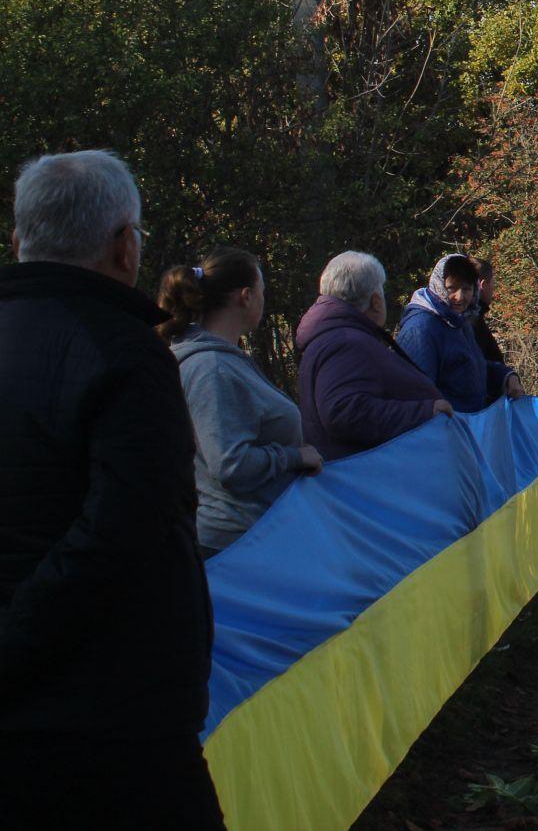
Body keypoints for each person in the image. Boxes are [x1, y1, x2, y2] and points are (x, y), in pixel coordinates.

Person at [0, 150, 224, 828]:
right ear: (125, 246)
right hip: (112, 718)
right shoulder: (125, 352)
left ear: (19, 239)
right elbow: (124, 531)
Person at [160, 249, 321, 556]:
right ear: (246, 296)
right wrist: (295, 457)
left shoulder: (224, 360)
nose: (263, 299)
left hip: (256, 533)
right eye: (262, 291)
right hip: (237, 544)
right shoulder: (212, 369)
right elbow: (230, 465)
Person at [298, 252, 453, 460]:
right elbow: (342, 412)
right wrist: (424, 412)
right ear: (376, 301)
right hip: (363, 471)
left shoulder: (337, 335)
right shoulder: (344, 342)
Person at [395, 253, 520, 414]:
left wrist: (505, 377)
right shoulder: (421, 329)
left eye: (466, 289)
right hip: (445, 426)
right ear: (439, 285)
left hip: (467, 424)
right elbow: (415, 395)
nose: (460, 297)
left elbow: (470, 367)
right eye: (452, 288)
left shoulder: (459, 320)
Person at [471, 258, 508, 369]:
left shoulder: (467, 318)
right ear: (483, 285)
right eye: (493, 283)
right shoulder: (473, 323)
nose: (493, 288)